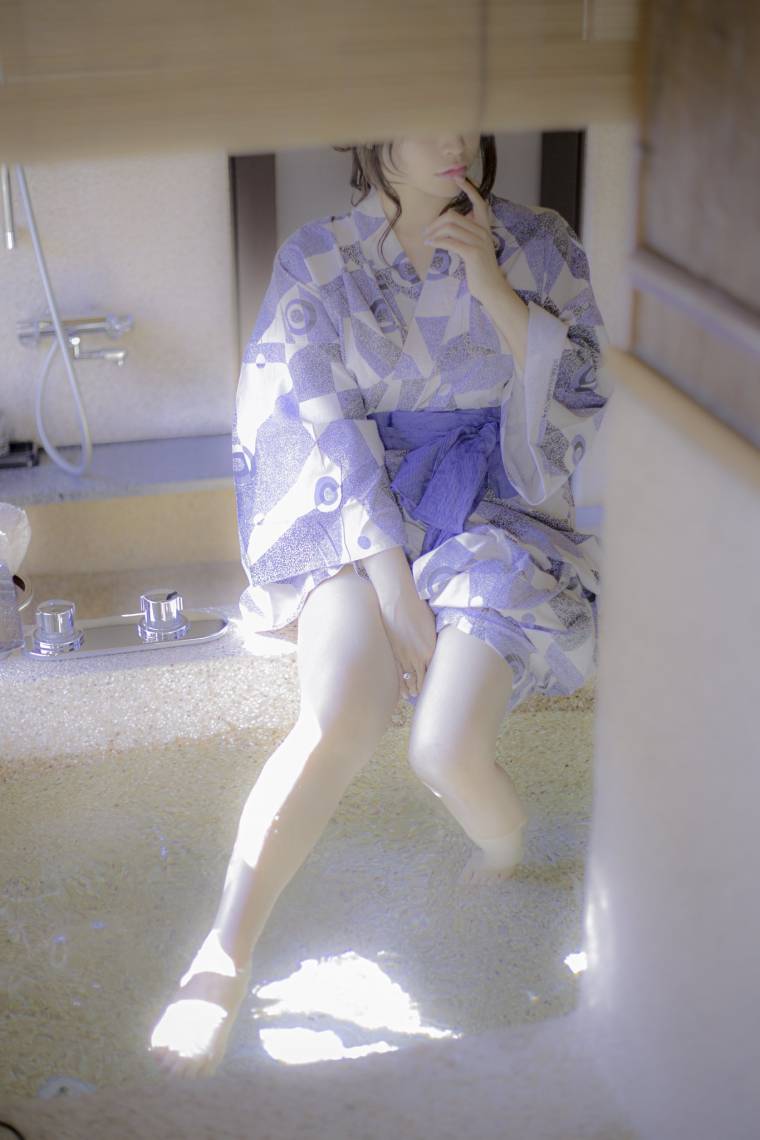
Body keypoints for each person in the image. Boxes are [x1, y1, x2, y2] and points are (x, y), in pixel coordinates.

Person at [148, 134, 615, 1077]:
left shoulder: (537, 241)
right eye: (420, 113)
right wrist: (392, 576)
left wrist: (493, 285)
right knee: (337, 719)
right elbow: (311, 423)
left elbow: (580, 389)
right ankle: (223, 956)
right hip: (356, 517)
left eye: (462, 112)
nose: (452, 137)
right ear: (369, 129)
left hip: (494, 508)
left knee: (445, 746)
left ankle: (506, 851)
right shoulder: (318, 258)